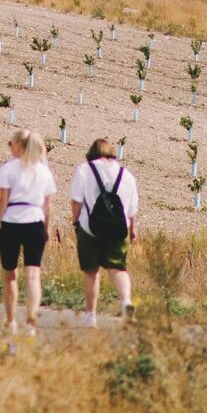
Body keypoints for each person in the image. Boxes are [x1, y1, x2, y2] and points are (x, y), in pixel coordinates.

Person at [0, 128, 57, 337]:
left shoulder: (8, 169)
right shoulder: (44, 171)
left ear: (19, 146)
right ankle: (31, 322)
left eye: (10, 144)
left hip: (11, 221)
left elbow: (2, 200)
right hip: (35, 222)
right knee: (33, 275)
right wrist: (46, 228)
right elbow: (48, 205)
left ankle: (11, 320)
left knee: (10, 274)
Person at [69, 137, 139, 326]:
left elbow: (76, 200)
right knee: (118, 268)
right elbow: (131, 210)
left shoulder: (84, 170)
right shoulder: (127, 175)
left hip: (89, 227)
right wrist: (131, 230)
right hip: (118, 229)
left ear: (92, 153)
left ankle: (91, 315)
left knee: (91, 271)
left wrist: (75, 221)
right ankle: (126, 302)